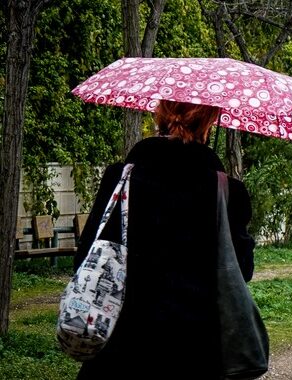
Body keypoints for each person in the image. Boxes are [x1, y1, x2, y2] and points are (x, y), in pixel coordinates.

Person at [73, 100, 256, 379]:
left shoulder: (119, 181)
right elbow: (242, 271)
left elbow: (85, 257)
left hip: (119, 352)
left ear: (160, 117)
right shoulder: (227, 192)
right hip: (195, 354)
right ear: (207, 124)